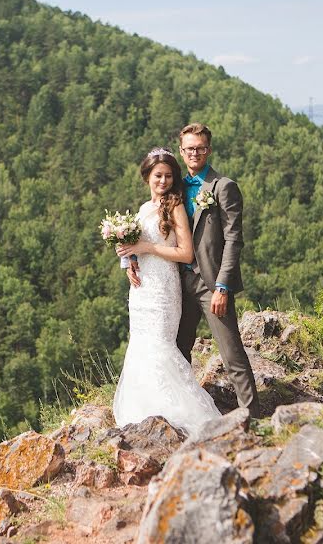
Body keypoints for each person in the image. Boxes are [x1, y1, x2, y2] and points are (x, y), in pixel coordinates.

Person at [128, 123, 260, 416]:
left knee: (231, 353)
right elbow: (149, 232)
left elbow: (234, 240)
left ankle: (253, 417)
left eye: (200, 148)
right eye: (189, 149)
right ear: (182, 151)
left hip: (211, 283)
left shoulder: (223, 187)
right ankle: (182, 410)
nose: (195, 153)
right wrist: (130, 260)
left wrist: (222, 286)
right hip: (176, 282)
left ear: (208, 150)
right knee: (177, 349)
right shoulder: (174, 189)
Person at [112, 148, 221, 436]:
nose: (163, 181)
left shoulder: (173, 206)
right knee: (141, 346)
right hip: (141, 291)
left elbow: (185, 253)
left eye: (169, 176)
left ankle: (180, 412)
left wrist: (145, 249)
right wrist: (130, 261)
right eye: (158, 175)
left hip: (163, 290)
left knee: (161, 347)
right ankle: (144, 409)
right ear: (147, 176)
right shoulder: (143, 209)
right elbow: (136, 246)